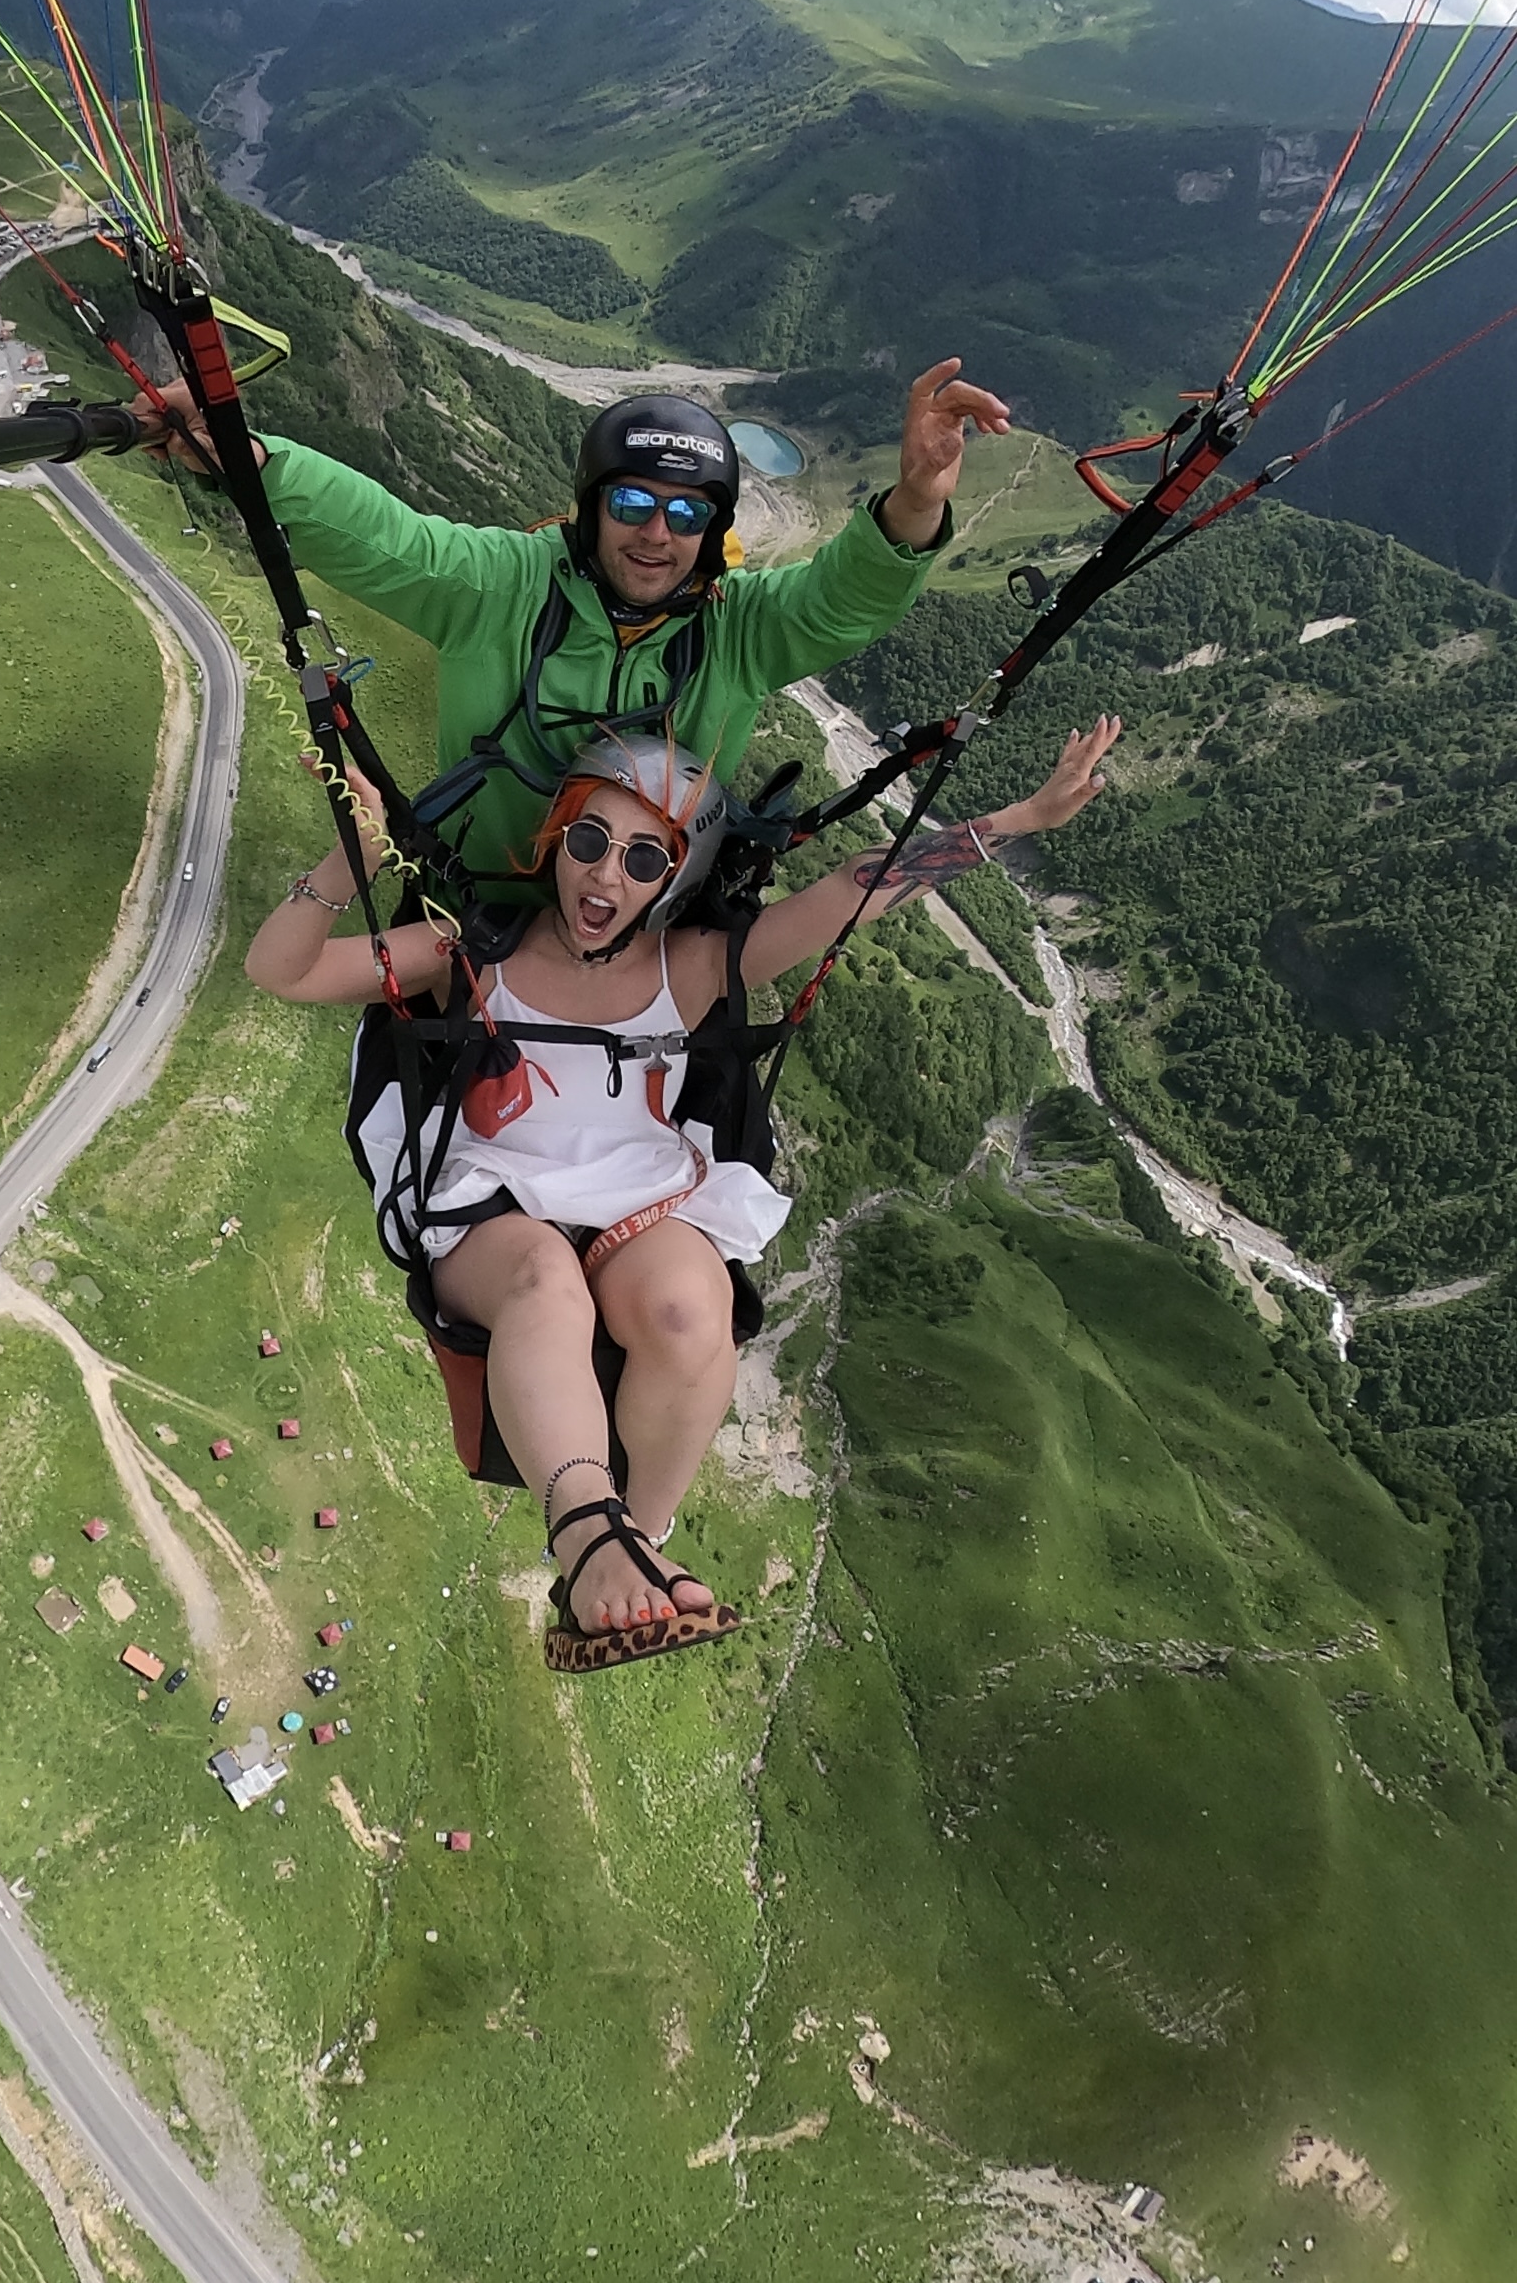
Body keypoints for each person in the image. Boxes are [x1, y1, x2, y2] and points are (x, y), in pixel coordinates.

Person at [246, 715, 1122, 1673]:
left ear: (674, 876)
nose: (604, 876)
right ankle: (588, 1543)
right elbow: (283, 970)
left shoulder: (694, 967)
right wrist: (350, 861)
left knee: (689, 1311)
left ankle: (643, 1537)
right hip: (491, 1201)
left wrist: (1017, 819)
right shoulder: (472, 950)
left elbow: (854, 890)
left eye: (642, 858)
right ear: (557, 839)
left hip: (640, 1202)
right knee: (544, 1282)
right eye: (589, 840)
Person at [142, 360, 1011, 892]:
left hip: (645, 926)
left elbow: (842, 599)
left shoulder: (741, 628)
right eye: (632, 503)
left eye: (687, 513)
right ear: (591, 508)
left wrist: (916, 499)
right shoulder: (506, 585)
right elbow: (388, 538)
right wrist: (256, 464)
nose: (657, 533)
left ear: (712, 531)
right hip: (478, 909)